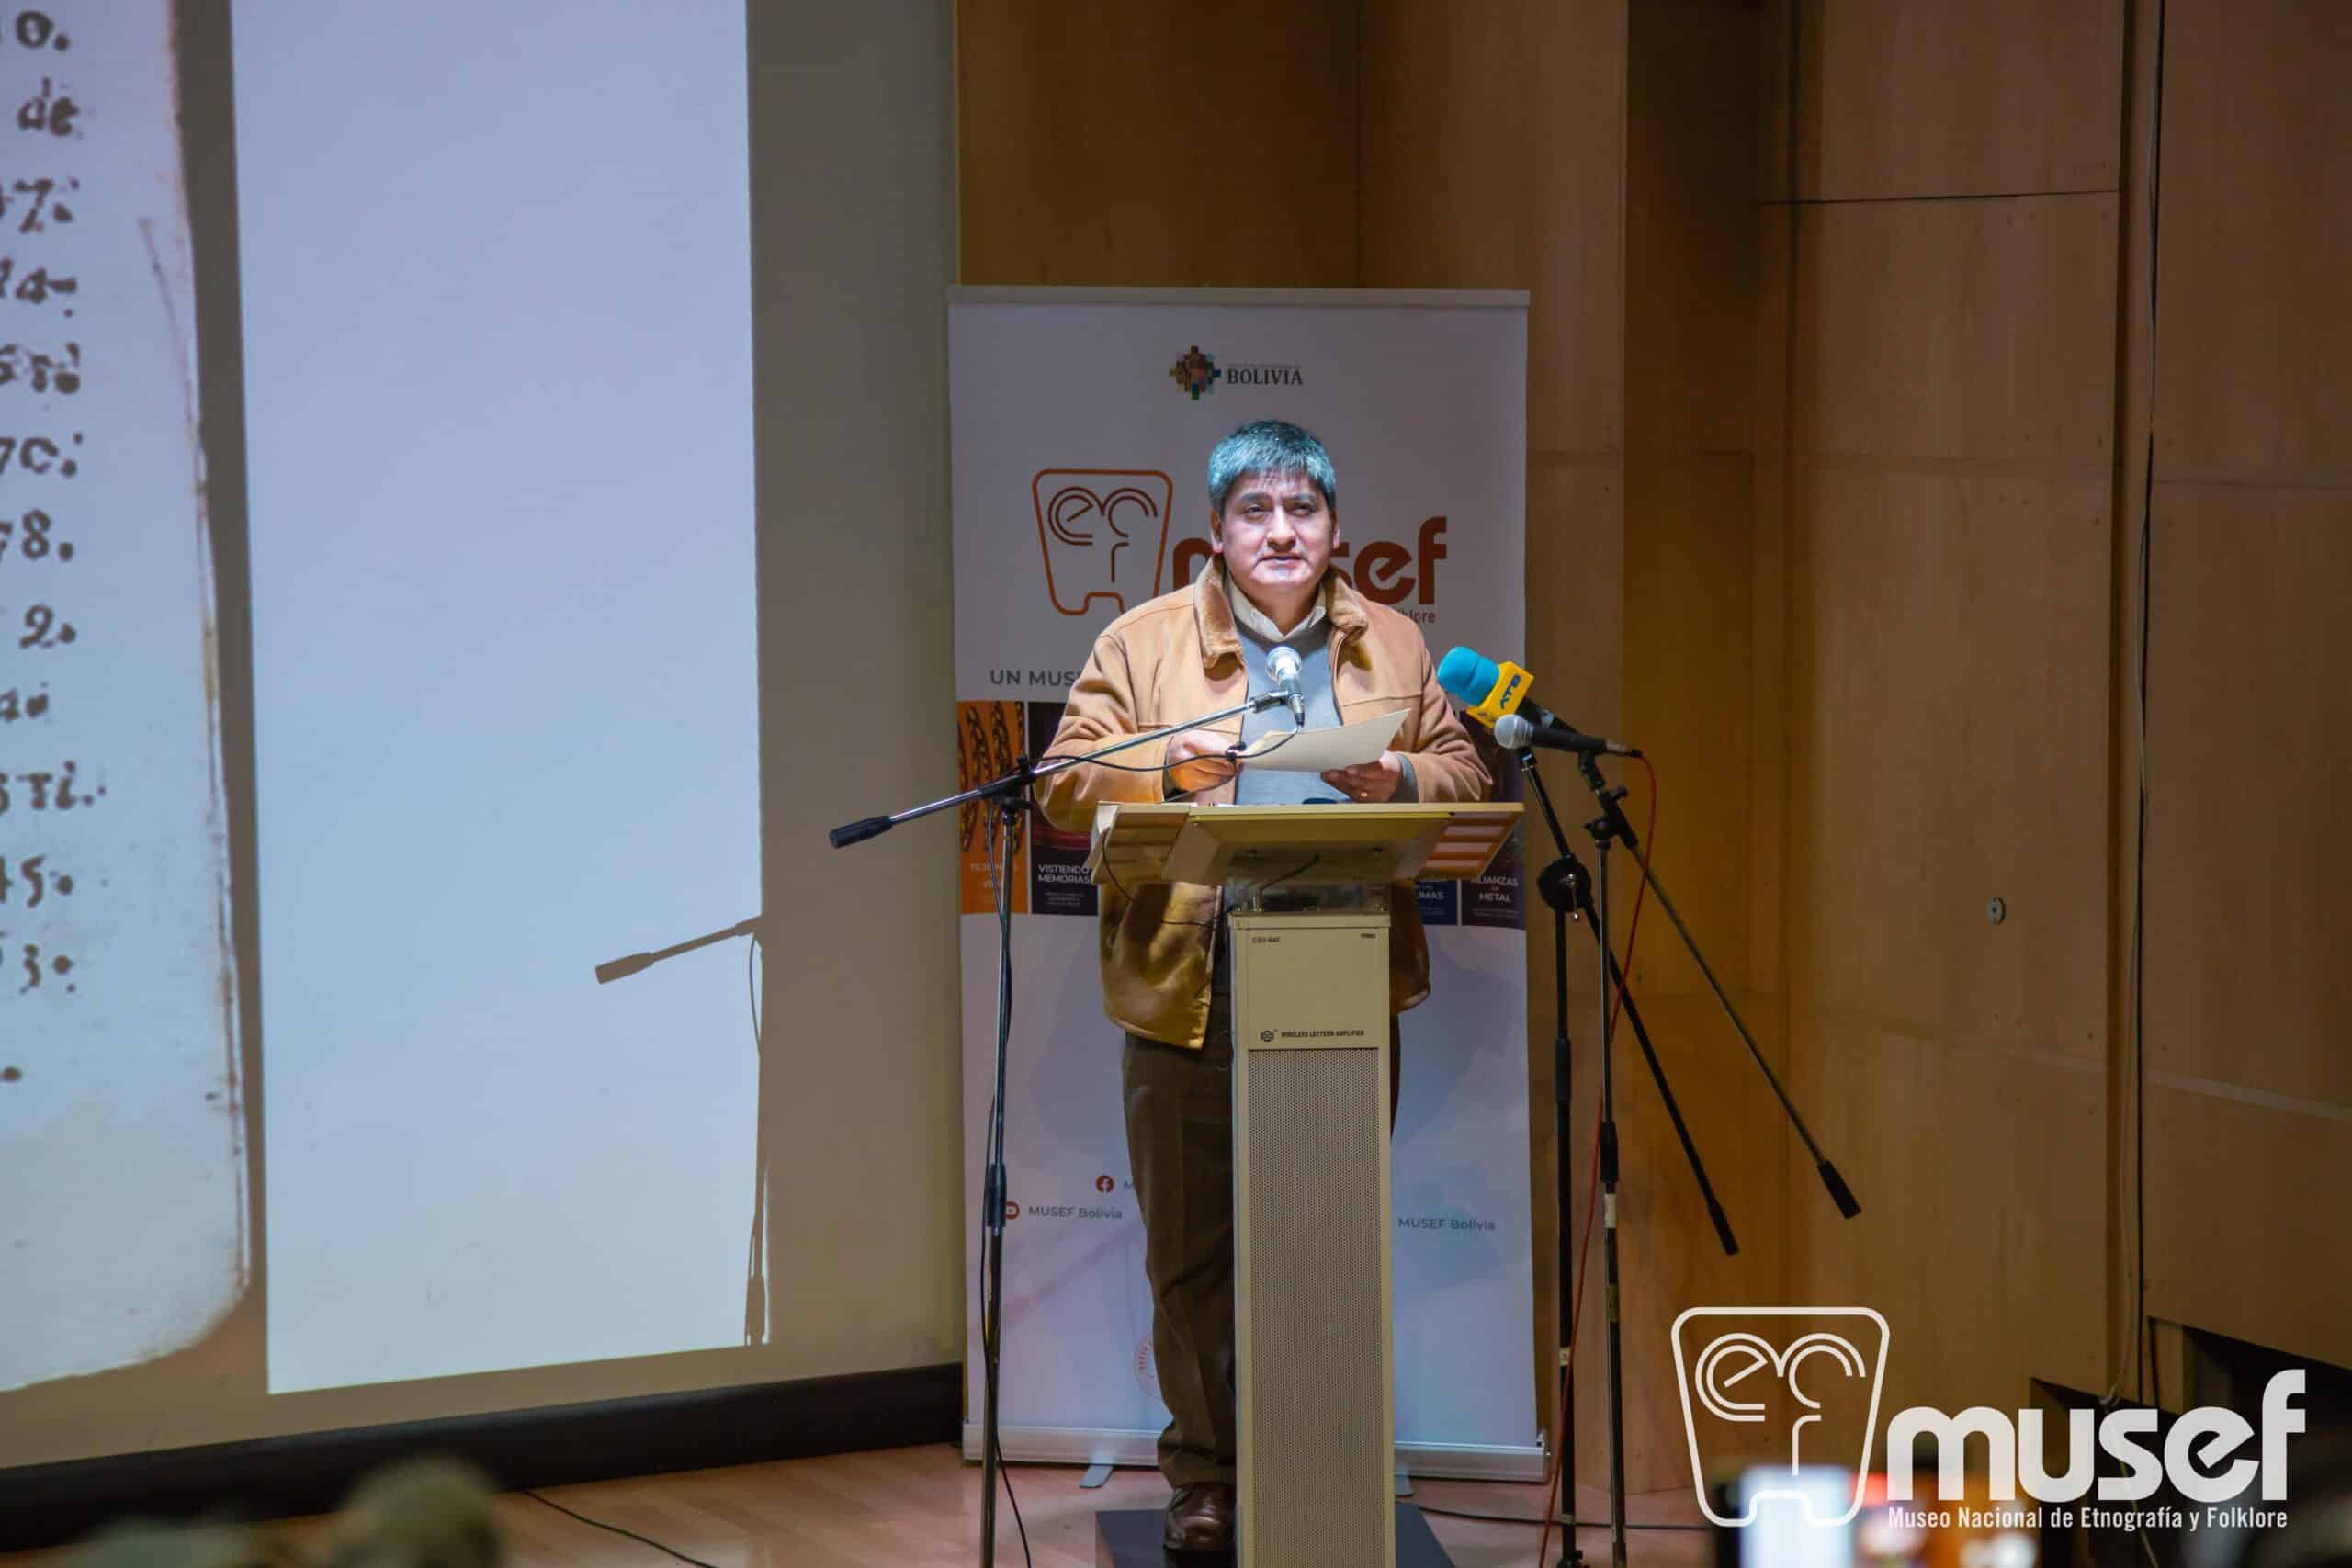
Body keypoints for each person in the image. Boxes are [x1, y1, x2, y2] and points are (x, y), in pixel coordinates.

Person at [1038, 419, 1489, 1551]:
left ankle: (1320, 1469)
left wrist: (1397, 776)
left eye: (1302, 510)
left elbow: (1462, 771)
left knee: (1323, 1242)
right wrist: (1163, 765)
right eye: (1256, 511)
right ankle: (1207, 1477)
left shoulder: (1393, 640)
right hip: (1193, 979)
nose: (1280, 531)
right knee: (1191, 1257)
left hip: (1342, 973)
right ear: (1217, 531)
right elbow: (1061, 780)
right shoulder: (1143, 642)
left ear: (1335, 528)